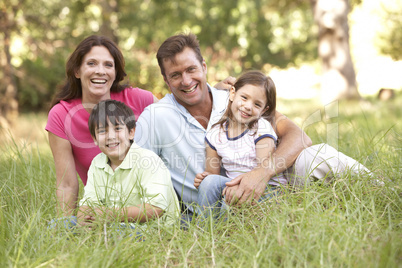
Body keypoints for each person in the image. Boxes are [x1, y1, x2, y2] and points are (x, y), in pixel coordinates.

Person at [134, 33, 375, 222]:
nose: (186, 81)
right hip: (222, 202)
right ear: (166, 80)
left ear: (204, 67)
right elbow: (132, 170)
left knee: (319, 155)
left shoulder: (234, 97)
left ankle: (384, 192)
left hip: (273, 181)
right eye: (175, 75)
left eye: (191, 70)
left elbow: (298, 136)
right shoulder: (156, 117)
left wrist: (261, 174)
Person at [46, 35, 158, 218]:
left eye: (108, 65)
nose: (100, 71)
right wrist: (64, 230)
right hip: (105, 209)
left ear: (115, 73)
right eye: (91, 63)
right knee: (60, 225)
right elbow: (66, 184)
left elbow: (177, 115)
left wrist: (212, 92)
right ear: (77, 71)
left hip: (151, 205)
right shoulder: (62, 115)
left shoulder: (138, 99)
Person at [194, 71, 286, 218]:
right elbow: (213, 174)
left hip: (267, 190)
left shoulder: (260, 128)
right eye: (244, 97)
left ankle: (228, 232)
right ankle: (203, 230)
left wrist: (238, 188)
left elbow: (262, 171)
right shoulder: (215, 133)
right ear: (232, 93)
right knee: (210, 183)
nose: (248, 106)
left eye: (257, 104)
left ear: (264, 110)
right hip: (233, 188)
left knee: (230, 202)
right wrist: (204, 180)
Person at [76, 100, 179, 231]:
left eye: (118, 128)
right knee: (61, 224)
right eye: (102, 131)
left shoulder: (148, 161)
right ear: (95, 138)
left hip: (152, 228)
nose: (111, 136)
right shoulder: (97, 163)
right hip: (112, 222)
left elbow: (155, 209)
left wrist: (110, 215)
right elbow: (88, 203)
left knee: (117, 232)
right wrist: (83, 219)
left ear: (131, 132)